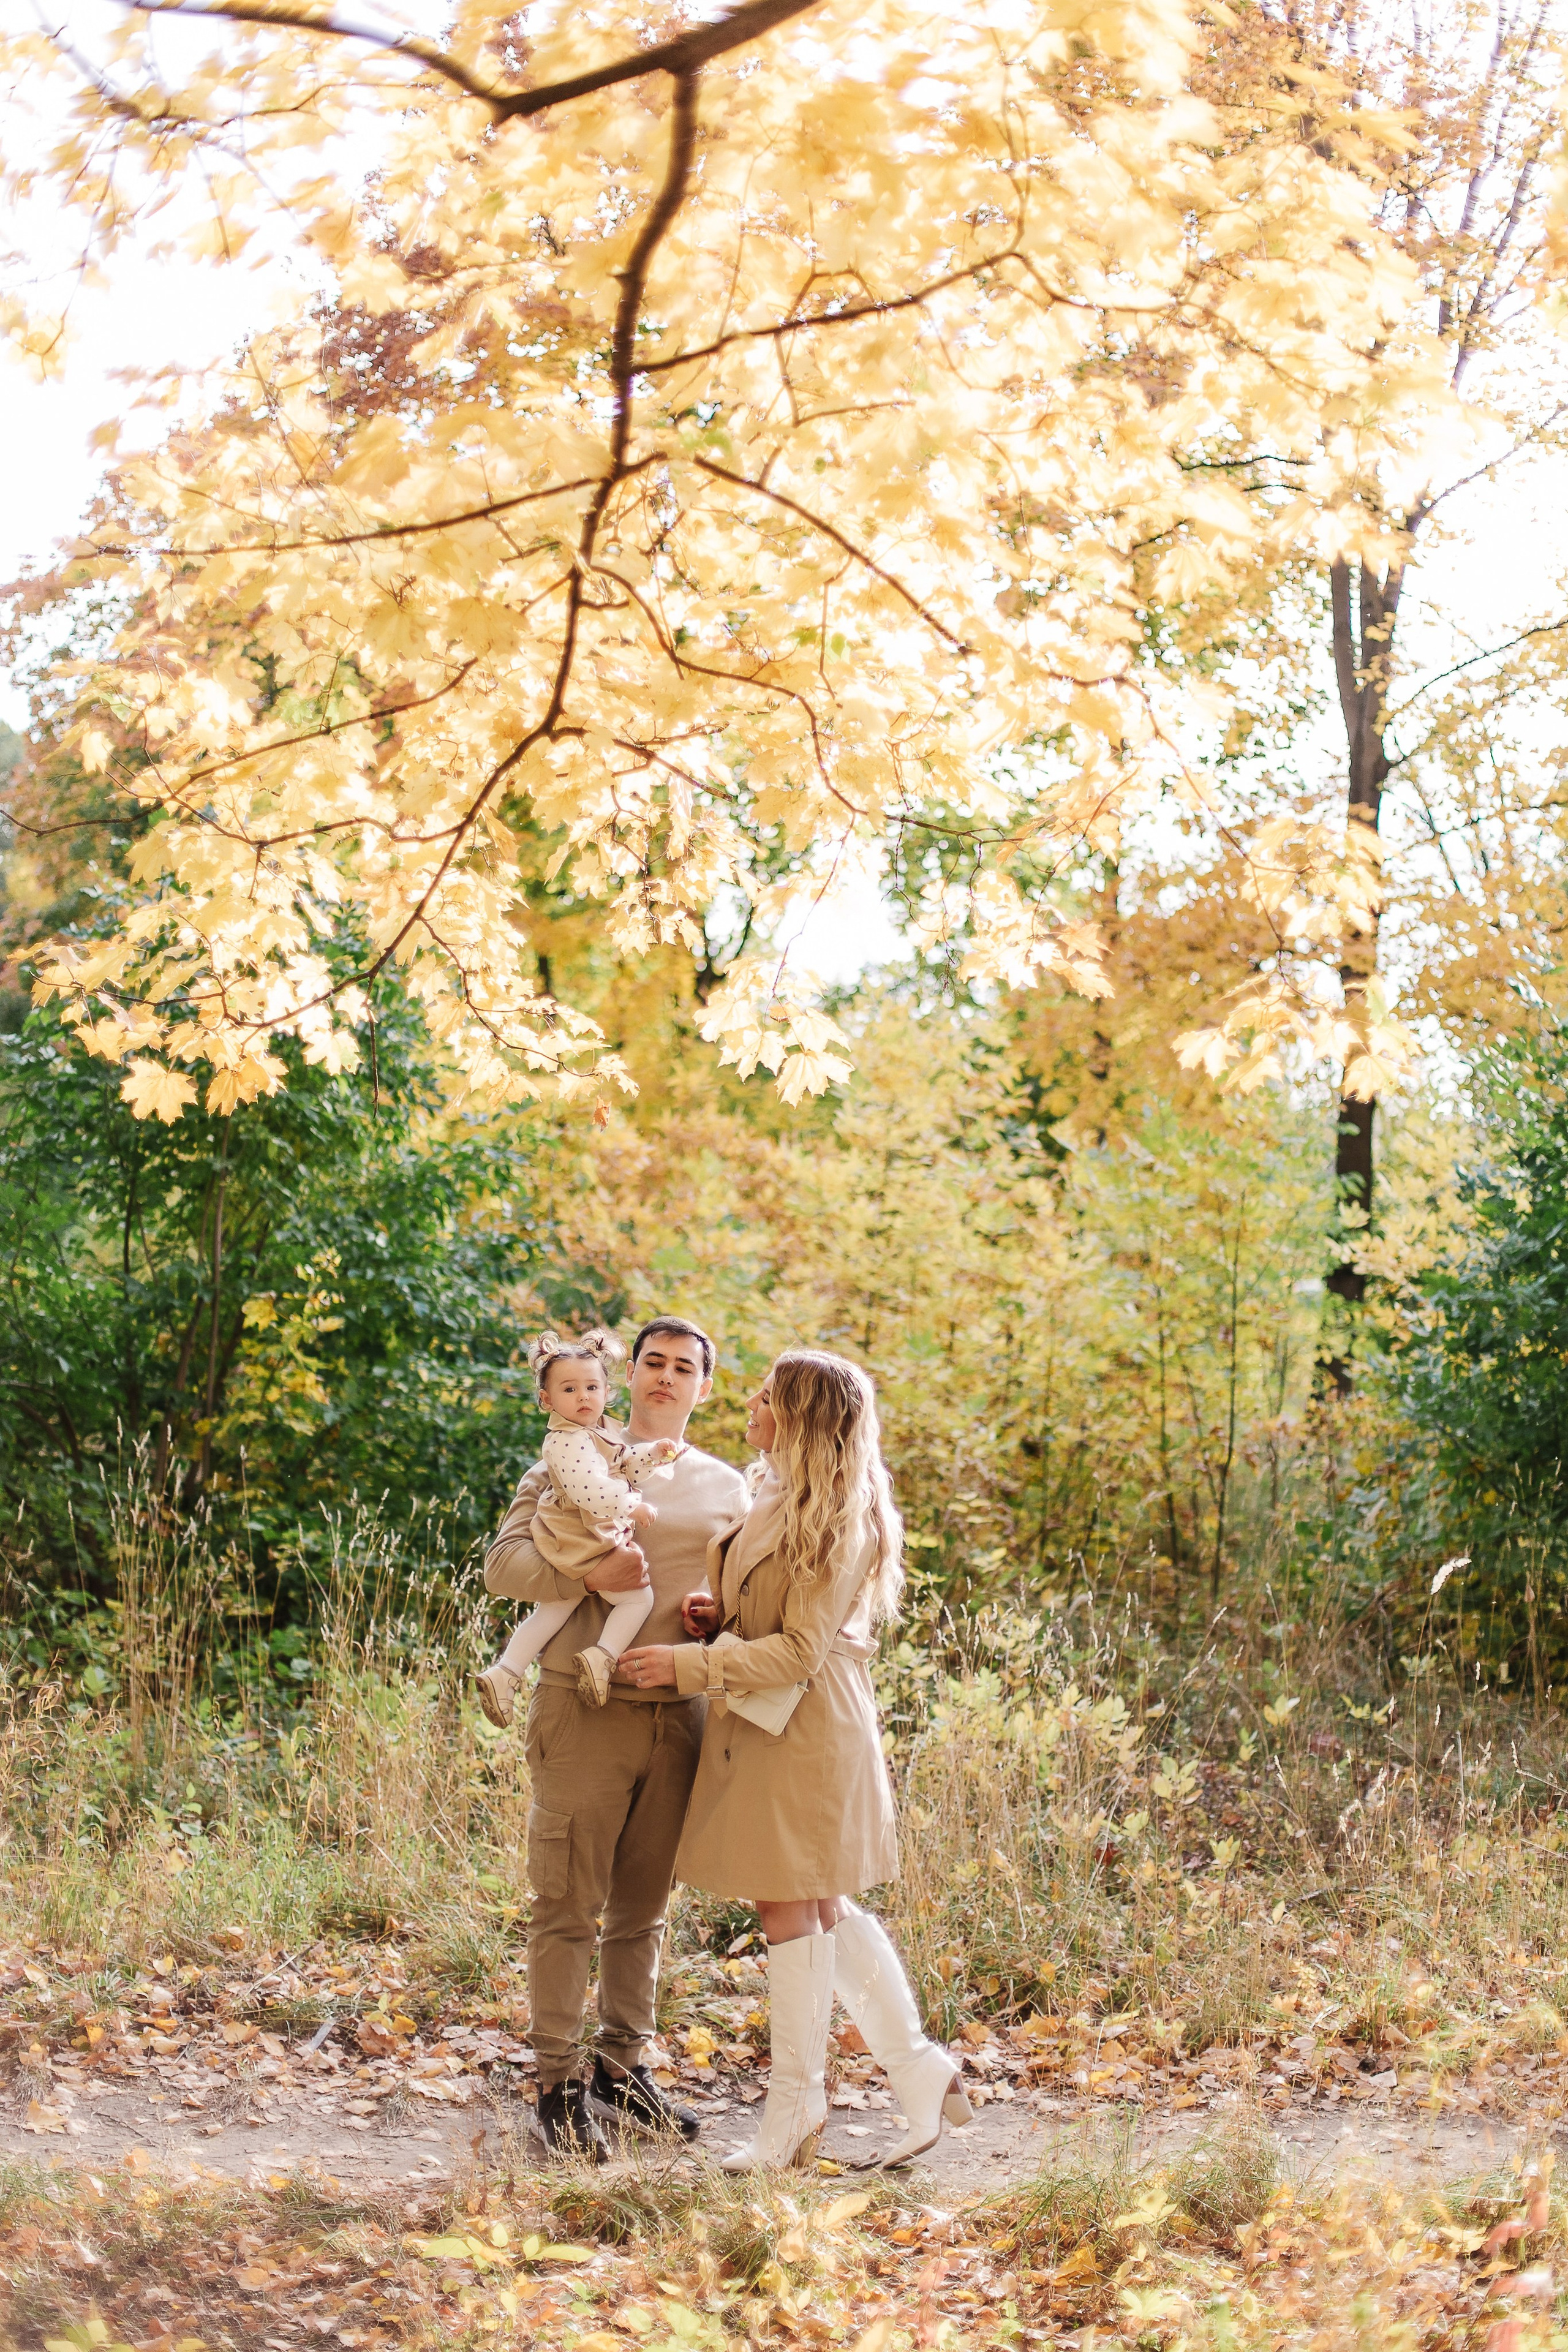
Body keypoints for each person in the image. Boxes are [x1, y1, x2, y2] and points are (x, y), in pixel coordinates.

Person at [620, 1349, 973, 2171]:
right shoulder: (783, 1492)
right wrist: (722, 1614)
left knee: (791, 1908)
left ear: (803, 1417)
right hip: (772, 1719)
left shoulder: (840, 1514)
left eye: (768, 1397)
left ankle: (796, 2114)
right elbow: (773, 1617)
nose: (750, 1403)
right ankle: (919, 2071)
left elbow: (803, 1652)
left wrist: (689, 1665)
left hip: (805, 1728)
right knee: (815, 1901)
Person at [483, 1315, 748, 2162]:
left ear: (705, 1388)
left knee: (644, 1911)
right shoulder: (567, 1456)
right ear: (627, 1375)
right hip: (579, 1709)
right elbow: (502, 1568)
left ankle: (620, 2070)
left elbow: (749, 1598)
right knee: (566, 1903)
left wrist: (715, 1623)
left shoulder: (729, 1490)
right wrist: (585, 1574)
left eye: (685, 1368)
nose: (667, 1378)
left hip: (680, 1714)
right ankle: (558, 2086)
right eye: (653, 1363)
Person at [476, 1329, 682, 1721]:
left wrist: (653, 1455)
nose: (584, 1396)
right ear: (546, 1400)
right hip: (580, 1535)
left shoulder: (599, 1435)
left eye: (592, 1386)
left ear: (607, 1391)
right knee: (638, 1599)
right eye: (569, 1390)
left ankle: (506, 1673)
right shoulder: (565, 1441)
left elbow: (626, 1465)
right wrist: (631, 1506)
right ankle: (601, 1656)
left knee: (554, 1610)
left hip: (585, 1536)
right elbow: (590, 1490)